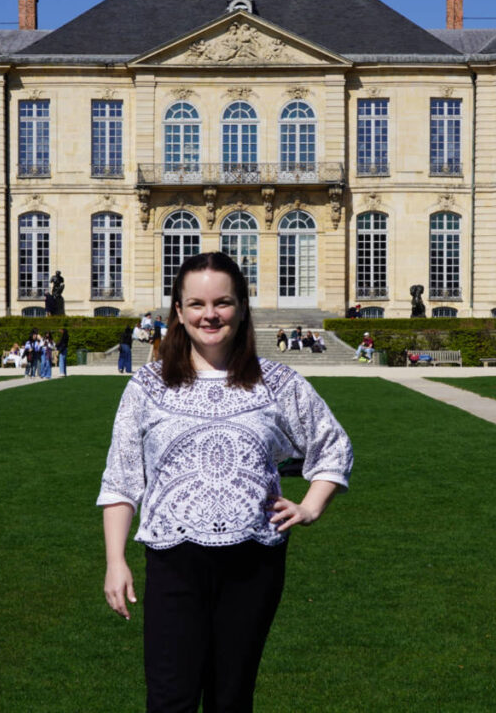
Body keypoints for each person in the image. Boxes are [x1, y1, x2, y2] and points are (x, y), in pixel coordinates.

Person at [98, 251, 353, 712]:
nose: (209, 314)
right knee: (169, 699)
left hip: (253, 562)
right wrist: (115, 561)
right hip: (174, 560)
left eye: (222, 302)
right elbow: (121, 477)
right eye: (196, 304)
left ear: (241, 307)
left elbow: (332, 445)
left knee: (232, 700)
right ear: (178, 311)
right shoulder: (148, 385)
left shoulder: (277, 381)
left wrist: (311, 506)